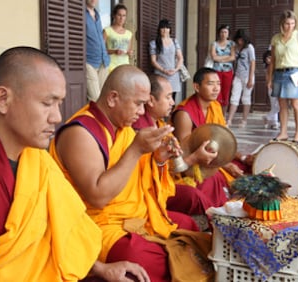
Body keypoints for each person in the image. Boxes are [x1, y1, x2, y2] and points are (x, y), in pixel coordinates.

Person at [0, 46, 148, 282]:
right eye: (47, 103)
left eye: (59, 103)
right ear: (3, 99)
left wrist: (101, 268)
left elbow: (56, 231)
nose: (57, 117)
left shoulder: (36, 160)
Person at [49, 65, 214, 281]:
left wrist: (159, 160)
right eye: (138, 104)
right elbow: (98, 196)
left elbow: (139, 178)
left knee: (188, 226)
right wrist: (137, 150)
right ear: (113, 98)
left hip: (134, 215)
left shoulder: (123, 129)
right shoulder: (81, 133)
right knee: (142, 258)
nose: (142, 112)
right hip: (96, 224)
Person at [132, 75, 225, 228]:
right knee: (193, 196)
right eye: (168, 97)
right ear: (151, 100)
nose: (172, 102)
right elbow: (151, 177)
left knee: (212, 178)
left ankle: (221, 218)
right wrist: (194, 158)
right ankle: (220, 224)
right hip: (152, 191)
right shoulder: (142, 131)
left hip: (171, 179)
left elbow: (174, 159)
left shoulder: (160, 124)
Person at [171, 67, 252, 210]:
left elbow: (224, 142)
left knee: (247, 167)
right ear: (196, 87)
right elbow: (185, 152)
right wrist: (225, 165)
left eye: (218, 84)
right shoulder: (184, 114)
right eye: (210, 84)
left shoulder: (215, 106)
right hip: (195, 164)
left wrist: (243, 158)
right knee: (216, 178)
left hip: (215, 157)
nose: (216, 88)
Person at [267, 10, 298, 144]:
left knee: (296, 103)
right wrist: (270, 78)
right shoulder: (276, 38)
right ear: (282, 24)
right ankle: (283, 132)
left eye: (292, 23)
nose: (290, 26)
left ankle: (297, 134)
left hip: (294, 72)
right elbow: (273, 60)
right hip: (279, 72)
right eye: (287, 23)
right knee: (282, 104)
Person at [226, 29, 256, 128]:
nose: (240, 42)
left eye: (242, 40)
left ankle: (244, 120)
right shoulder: (236, 47)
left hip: (247, 75)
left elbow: (252, 62)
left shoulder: (249, 48)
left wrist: (251, 78)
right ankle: (229, 120)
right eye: (238, 40)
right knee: (234, 98)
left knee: (246, 98)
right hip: (238, 75)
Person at [149, 19, 184, 102]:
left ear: (170, 29)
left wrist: (175, 69)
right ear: (159, 29)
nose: (165, 30)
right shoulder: (154, 43)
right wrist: (164, 70)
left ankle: (171, 115)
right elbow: (153, 61)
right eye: (163, 28)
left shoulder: (175, 41)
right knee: (161, 98)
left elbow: (180, 58)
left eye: (167, 28)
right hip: (161, 74)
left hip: (173, 74)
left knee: (172, 100)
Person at [86, 0, 110, 101]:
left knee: (103, 98)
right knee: (95, 98)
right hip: (89, 61)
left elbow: (100, 37)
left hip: (103, 61)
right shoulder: (80, 13)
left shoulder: (97, 15)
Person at [210, 24, 236, 115]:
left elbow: (233, 57)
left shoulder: (232, 44)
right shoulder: (214, 44)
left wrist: (220, 58)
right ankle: (216, 113)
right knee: (217, 91)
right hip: (216, 71)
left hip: (228, 71)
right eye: (221, 32)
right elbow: (213, 57)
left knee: (226, 92)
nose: (223, 34)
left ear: (228, 34)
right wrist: (225, 58)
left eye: (225, 32)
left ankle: (223, 115)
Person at [103, 3, 133, 72]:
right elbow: (101, 51)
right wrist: (114, 51)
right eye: (119, 15)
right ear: (114, 16)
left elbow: (129, 53)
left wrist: (130, 53)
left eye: (124, 15)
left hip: (125, 68)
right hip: (111, 67)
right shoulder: (107, 31)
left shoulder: (129, 34)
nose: (121, 18)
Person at [262, 48, 280, 129]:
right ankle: (274, 122)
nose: (268, 59)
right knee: (275, 106)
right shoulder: (267, 68)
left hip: (277, 86)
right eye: (267, 58)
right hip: (271, 87)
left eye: (270, 57)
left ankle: (268, 117)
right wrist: (269, 83)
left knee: (277, 106)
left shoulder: (276, 66)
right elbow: (267, 79)